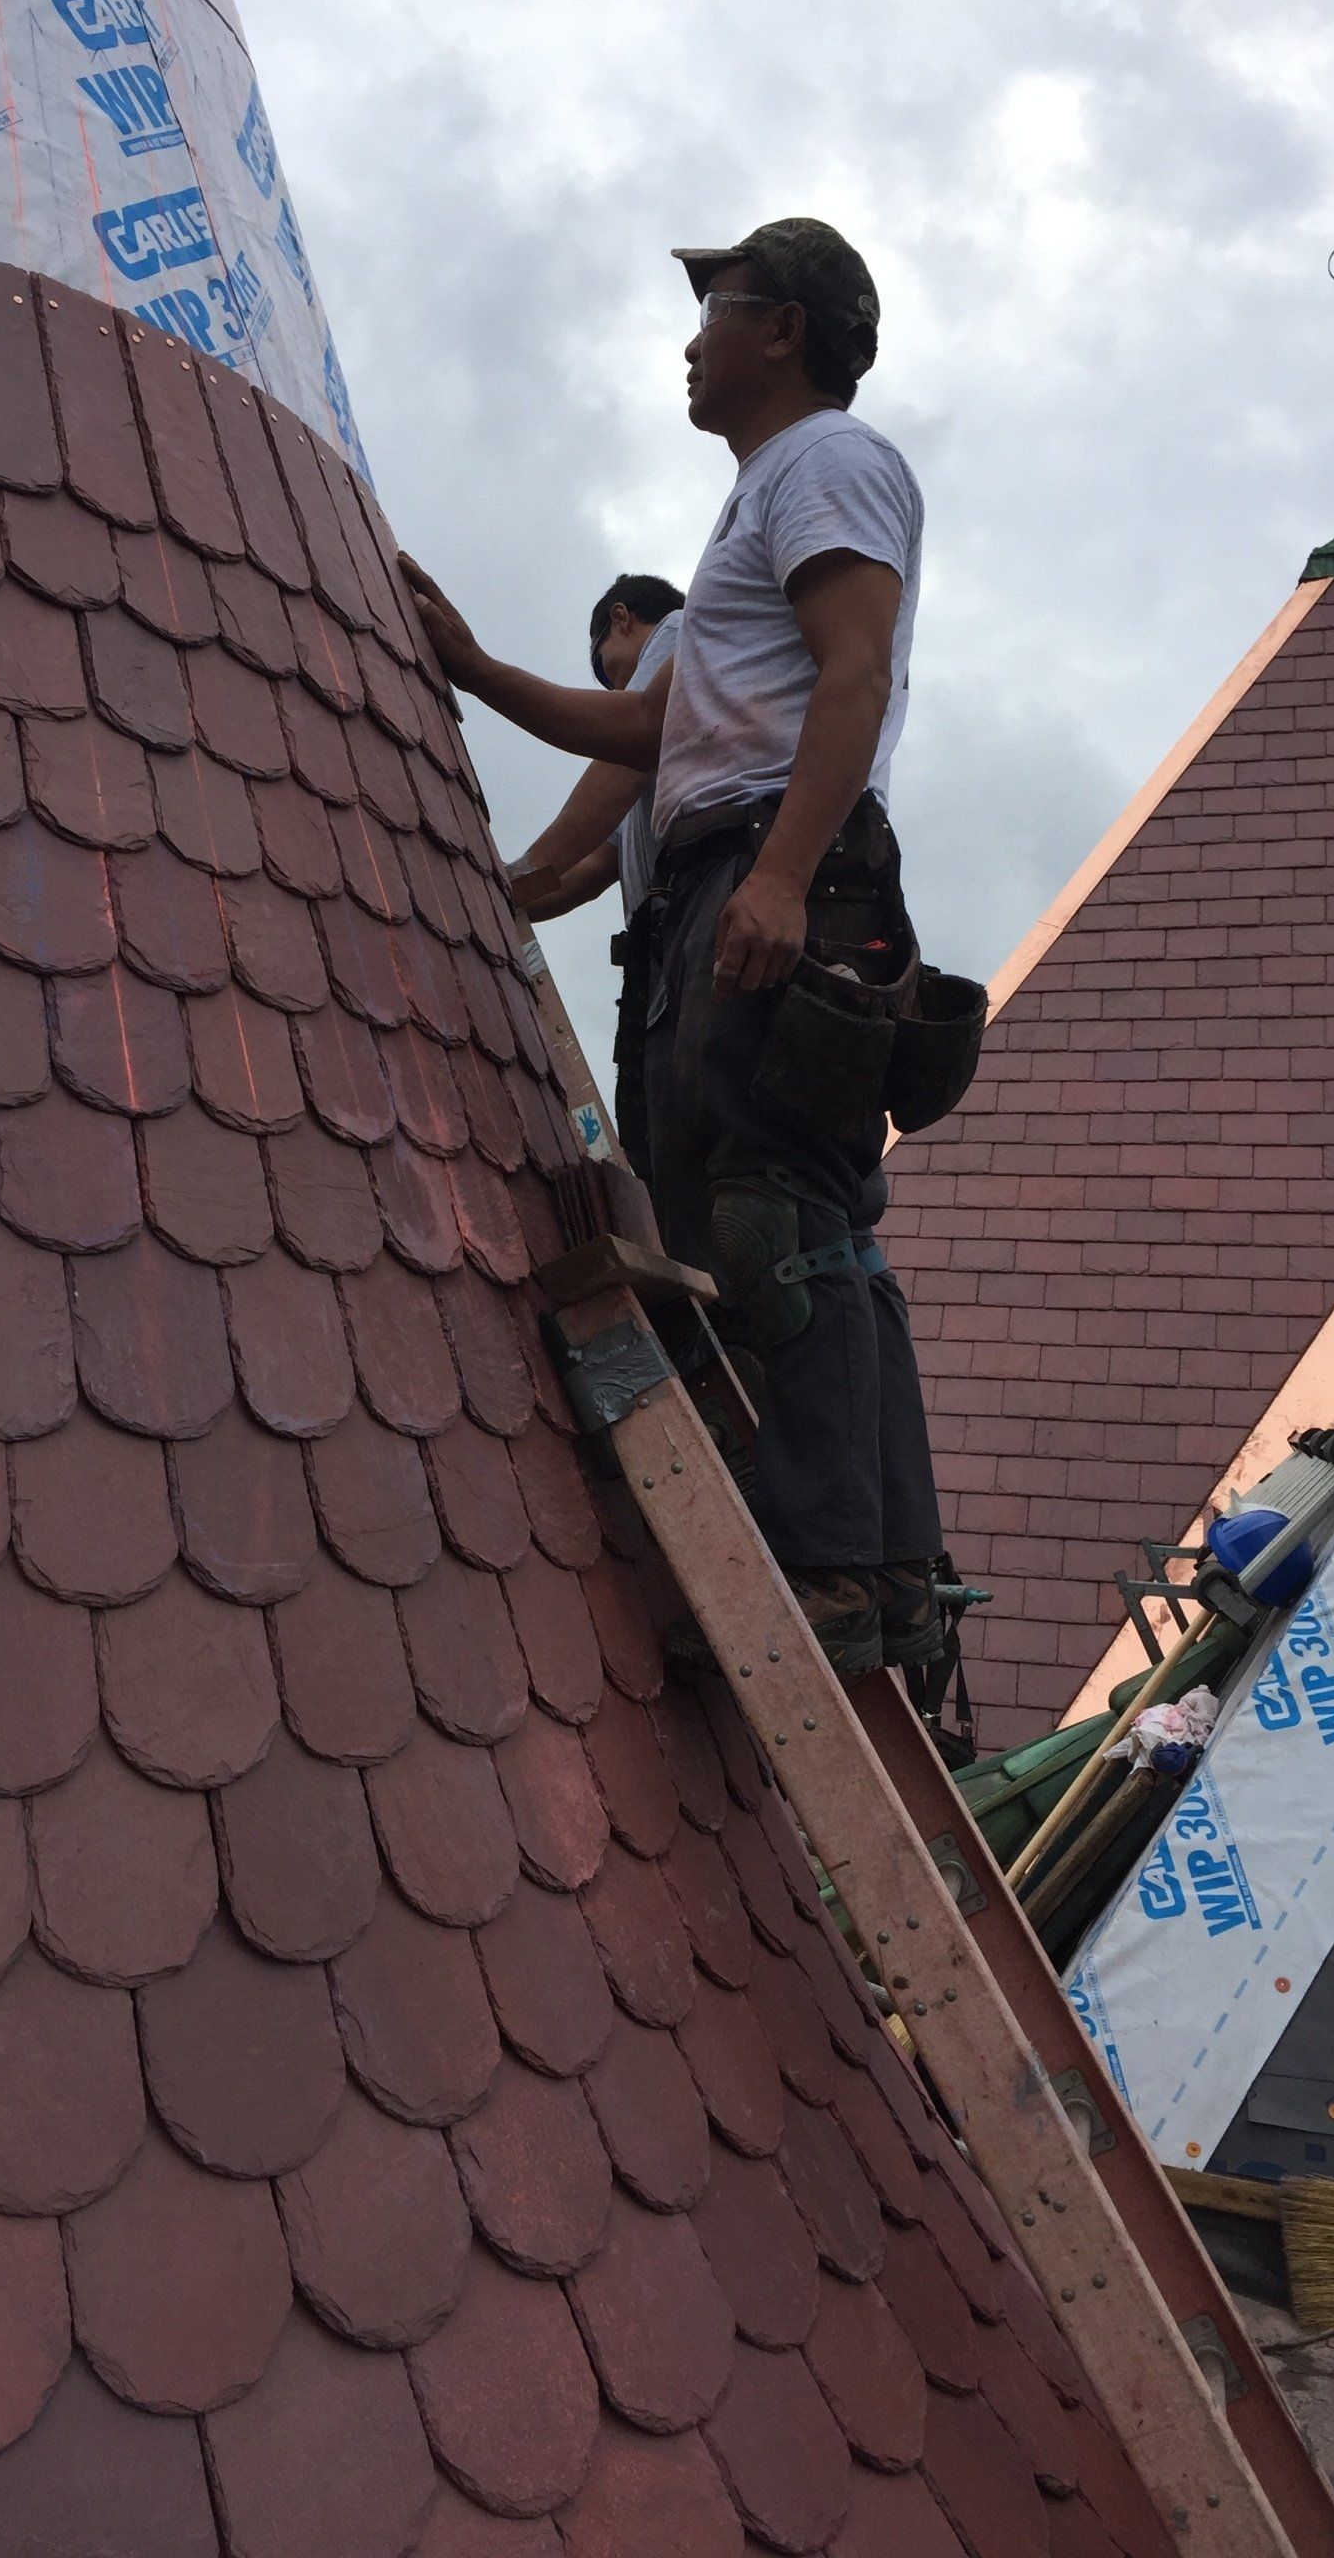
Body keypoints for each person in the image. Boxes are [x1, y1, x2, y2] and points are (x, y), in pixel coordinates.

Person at [401, 217, 945, 1680]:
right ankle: (879, 1568)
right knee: (786, 1216)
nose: (690, 342)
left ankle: (831, 1568)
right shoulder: (758, 503)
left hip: (785, 864)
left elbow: (857, 668)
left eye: (719, 313)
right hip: (747, 865)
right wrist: (479, 671)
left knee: (778, 1217)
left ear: (786, 331)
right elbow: (656, 728)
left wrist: (777, 875)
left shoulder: (827, 460)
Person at [508, 574, 683, 1175]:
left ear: (622, 618)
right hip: (660, 959)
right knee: (661, 1157)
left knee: (701, 1160)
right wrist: (504, 899)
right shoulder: (649, 781)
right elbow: (591, 867)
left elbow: (624, 753)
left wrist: (521, 874)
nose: (614, 686)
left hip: (690, 934)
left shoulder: (682, 632)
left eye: (606, 668)